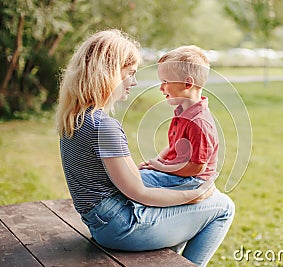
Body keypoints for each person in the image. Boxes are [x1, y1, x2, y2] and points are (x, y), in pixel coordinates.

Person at [56, 29, 234, 267]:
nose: (134, 81)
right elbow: (139, 193)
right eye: (129, 73)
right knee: (223, 206)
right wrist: (193, 195)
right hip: (121, 227)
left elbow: (132, 182)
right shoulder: (103, 127)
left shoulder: (75, 118)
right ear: (108, 73)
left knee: (176, 197)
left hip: (102, 222)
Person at [138, 45, 218, 191]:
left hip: (192, 180)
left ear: (188, 83)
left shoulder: (198, 122)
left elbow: (197, 167)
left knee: (134, 181)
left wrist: (162, 168)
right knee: (135, 176)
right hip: (177, 173)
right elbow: (173, 146)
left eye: (165, 81)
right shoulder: (182, 112)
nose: (161, 88)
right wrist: (156, 162)